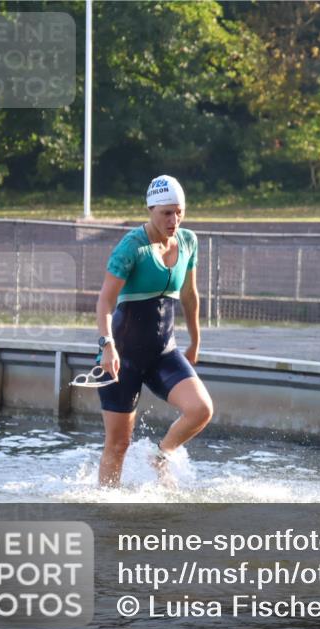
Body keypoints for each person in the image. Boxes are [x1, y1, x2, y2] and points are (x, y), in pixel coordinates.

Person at [95, 175, 213, 486]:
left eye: (179, 212)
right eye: (166, 213)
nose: (173, 220)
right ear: (150, 209)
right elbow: (105, 301)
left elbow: (189, 295)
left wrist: (195, 341)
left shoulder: (188, 241)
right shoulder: (132, 246)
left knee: (201, 409)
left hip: (164, 353)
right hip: (123, 358)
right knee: (118, 445)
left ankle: (161, 454)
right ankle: (106, 511)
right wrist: (107, 345)